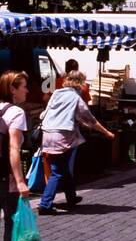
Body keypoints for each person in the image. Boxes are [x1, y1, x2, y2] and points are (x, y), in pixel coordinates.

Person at [38, 71, 113, 216]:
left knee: (64, 168)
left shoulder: (56, 93)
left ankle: (71, 197)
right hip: (63, 136)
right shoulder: (75, 98)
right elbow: (90, 119)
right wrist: (106, 132)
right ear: (80, 83)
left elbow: (44, 114)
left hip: (48, 134)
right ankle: (45, 204)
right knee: (57, 172)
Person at [0, 71, 32, 241]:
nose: (27, 90)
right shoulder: (16, 112)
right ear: (12, 88)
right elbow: (14, 148)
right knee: (14, 225)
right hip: (7, 178)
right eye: (24, 86)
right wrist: (20, 181)